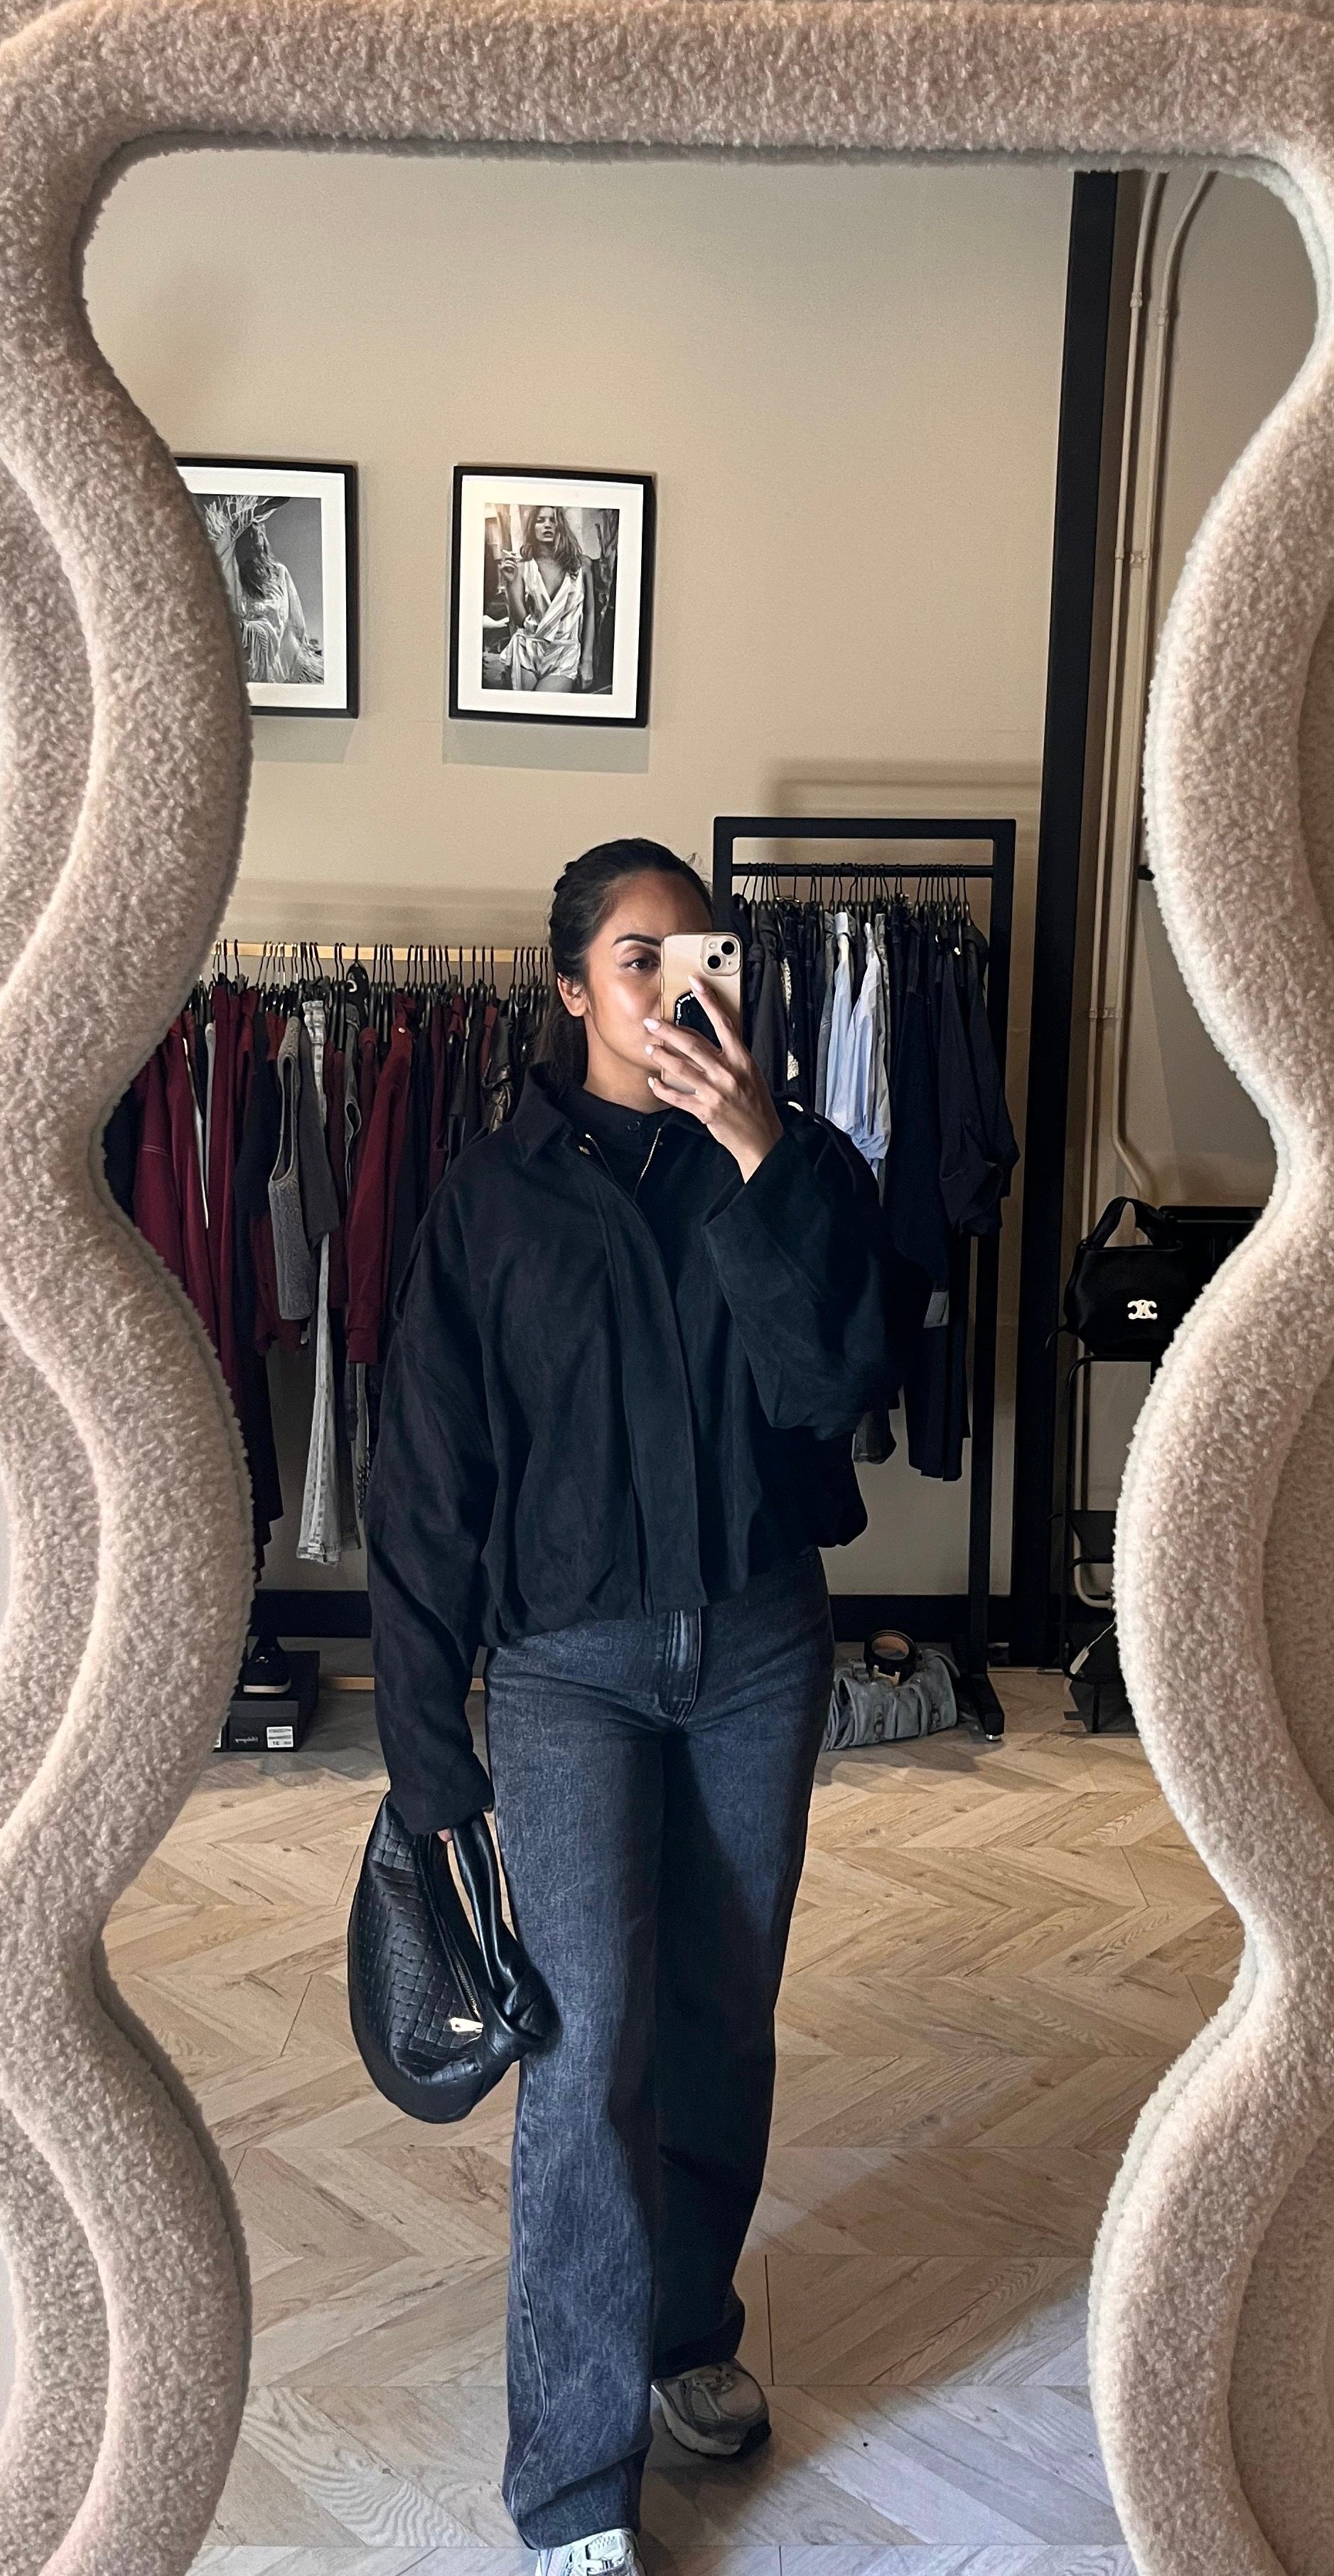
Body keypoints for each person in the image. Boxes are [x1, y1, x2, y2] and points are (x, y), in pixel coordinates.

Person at [365, 839, 901, 2576]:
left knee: (720, 2019)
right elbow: (424, 1479)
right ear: (569, 987)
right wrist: (428, 1757)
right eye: (636, 957)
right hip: (567, 1671)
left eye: (700, 955)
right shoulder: (490, 1200)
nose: (675, 988)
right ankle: (574, 2483)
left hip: (755, 1647)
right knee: (588, 2048)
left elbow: (835, 1385)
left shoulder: (795, 1161)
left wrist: (758, 1157)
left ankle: (681, 2337)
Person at [201, 495, 323, 686]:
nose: (258, 541)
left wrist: (256, 632)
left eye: (260, 535)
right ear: (241, 544)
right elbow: (230, 532)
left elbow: (283, 619)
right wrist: (258, 510)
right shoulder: (233, 571)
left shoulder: (278, 574)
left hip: (272, 657)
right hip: (240, 654)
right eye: (251, 538)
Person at [483, 503, 597, 693]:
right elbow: (520, 621)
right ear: (532, 527)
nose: (547, 525)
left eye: (553, 520)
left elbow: (590, 612)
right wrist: (511, 583)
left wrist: (587, 661)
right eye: (540, 520)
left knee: (544, 704)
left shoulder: (582, 565)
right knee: (522, 709)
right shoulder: (523, 567)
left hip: (564, 652)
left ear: (561, 525)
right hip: (528, 648)